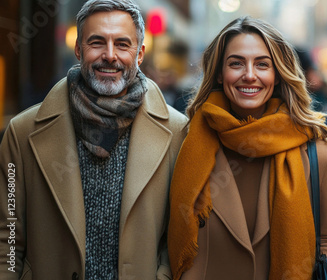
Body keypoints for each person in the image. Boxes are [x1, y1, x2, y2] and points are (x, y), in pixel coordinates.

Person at [0, 0, 187, 279]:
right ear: (78, 49)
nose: (110, 55)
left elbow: (179, 235)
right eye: (97, 42)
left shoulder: (177, 132)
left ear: (140, 53)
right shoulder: (22, 132)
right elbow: (9, 237)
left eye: (122, 44)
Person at [167, 16, 327, 280]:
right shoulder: (186, 141)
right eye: (236, 63)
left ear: (277, 74)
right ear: (219, 72)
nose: (249, 75)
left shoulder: (315, 152)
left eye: (262, 64)